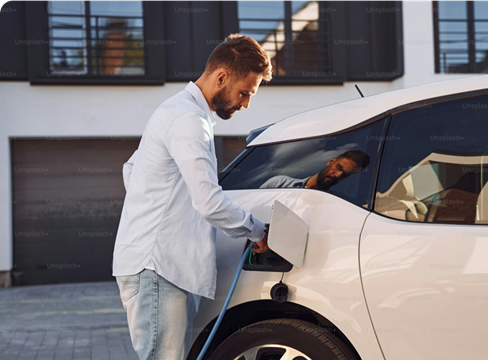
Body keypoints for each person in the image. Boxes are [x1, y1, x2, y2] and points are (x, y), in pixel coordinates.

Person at [112, 34, 272, 360]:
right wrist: (258, 231)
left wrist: (159, 208)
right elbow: (208, 202)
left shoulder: (178, 112)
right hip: (159, 269)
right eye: (245, 93)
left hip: (158, 267)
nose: (246, 103)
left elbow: (133, 170)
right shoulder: (189, 120)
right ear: (221, 77)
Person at [259, 150, 370, 191]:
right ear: (331, 162)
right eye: (339, 168)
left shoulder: (330, 206)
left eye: (345, 174)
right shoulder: (279, 183)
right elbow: (250, 207)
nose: (338, 175)